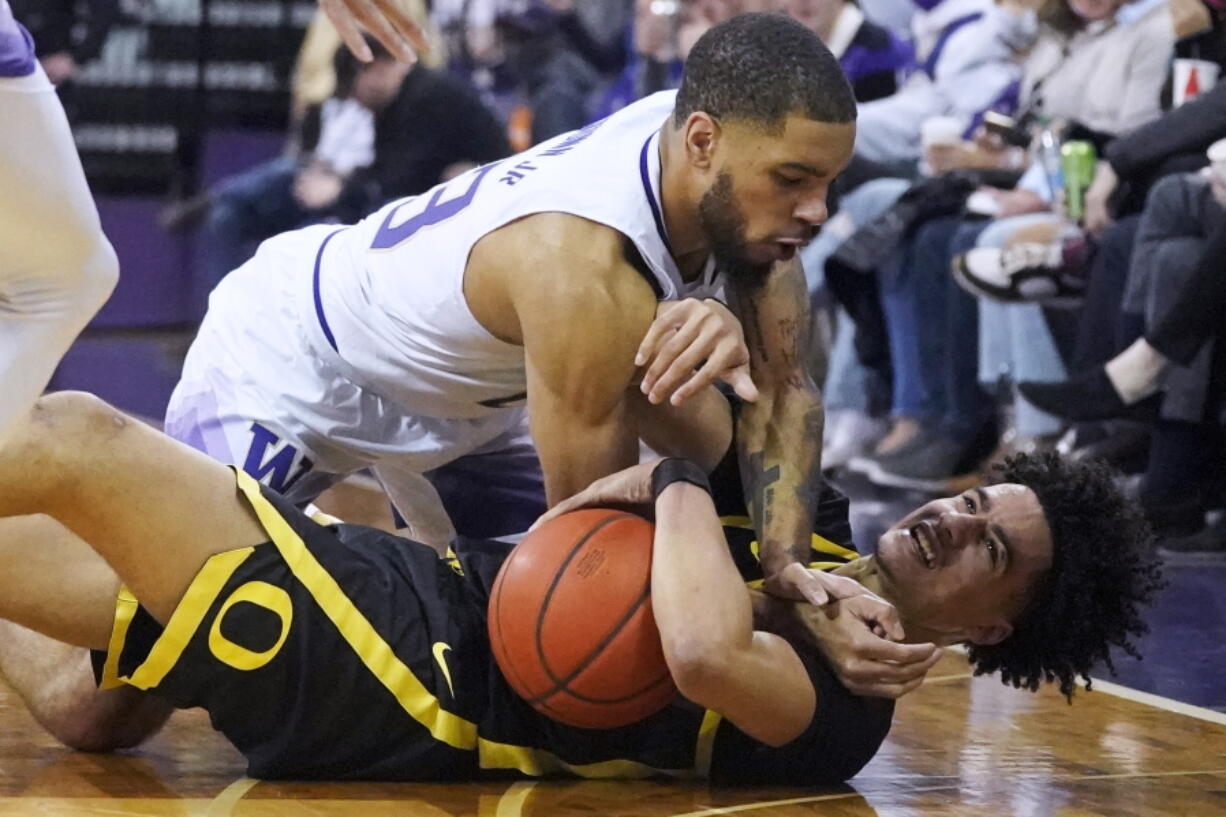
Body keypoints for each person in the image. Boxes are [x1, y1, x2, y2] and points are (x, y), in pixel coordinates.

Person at [0, 391, 1162, 783]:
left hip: (400, 667)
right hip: (413, 603)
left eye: (985, 549)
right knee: (88, 697)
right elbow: (573, 517)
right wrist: (777, 566)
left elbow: (701, 652)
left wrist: (676, 484)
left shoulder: (844, 715)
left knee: (74, 437)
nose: (947, 518)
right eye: (971, 501)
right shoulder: (817, 545)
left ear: (992, 625)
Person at [166, 14, 860, 609]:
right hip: (299, 355)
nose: (816, 210)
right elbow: (591, 545)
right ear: (702, 142)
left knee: (520, 634)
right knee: (118, 678)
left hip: (471, 406)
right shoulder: (583, 266)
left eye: (828, 181)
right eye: (794, 181)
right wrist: (753, 616)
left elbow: (785, 393)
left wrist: (786, 569)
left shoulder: (724, 152)